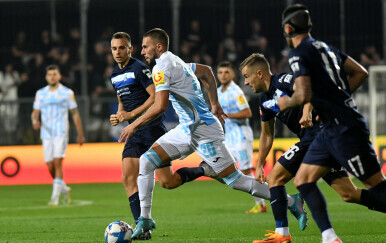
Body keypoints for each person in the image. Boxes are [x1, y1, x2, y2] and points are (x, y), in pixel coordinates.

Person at [117, 28, 306, 239]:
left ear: (158, 46)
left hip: (204, 132)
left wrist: (133, 125)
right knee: (146, 161)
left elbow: (160, 106)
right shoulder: (177, 62)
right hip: (186, 129)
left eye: (145, 46)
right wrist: (214, 103)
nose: (142, 51)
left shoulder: (161, 67)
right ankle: (144, 219)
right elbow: (206, 71)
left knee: (237, 181)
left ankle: (291, 201)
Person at [241, 53, 385, 243]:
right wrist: (258, 164)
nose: (245, 82)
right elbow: (267, 134)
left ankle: (282, 234)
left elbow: (307, 88)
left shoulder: (282, 81)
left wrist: (307, 111)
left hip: (317, 132)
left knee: (275, 177)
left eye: (246, 76)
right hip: (319, 138)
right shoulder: (264, 102)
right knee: (348, 193)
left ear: (259, 73)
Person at [277, 4, 386, 243]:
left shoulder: (298, 53)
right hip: (329, 128)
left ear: (287, 28)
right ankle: (329, 237)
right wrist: (333, 99)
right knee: (303, 180)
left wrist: (287, 102)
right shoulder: (325, 47)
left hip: (345, 129)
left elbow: (303, 93)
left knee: (377, 187)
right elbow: (360, 72)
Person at [109, 32, 207, 240]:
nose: (118, 52)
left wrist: (132, 116)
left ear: (130, 49)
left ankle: (204, 168)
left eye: (122, 48)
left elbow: (155, 98)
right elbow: (122, 100)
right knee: (128, 178)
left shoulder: (140, 69)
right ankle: (141, 227)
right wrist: (119, 115)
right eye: (114, 48)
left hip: (151, 129)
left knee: (167, 182)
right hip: (134, 132)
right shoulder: (113, 75)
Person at [216, 61, 266, 214]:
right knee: (221, 169)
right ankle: (262, 199)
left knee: (245, 171)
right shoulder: (218, 91)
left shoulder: (236, 91)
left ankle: (265, 199)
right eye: (220, 72)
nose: (223, 75)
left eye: (226, 72)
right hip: (229, 137)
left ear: (232, 74)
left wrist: (226, 115)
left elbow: (247, 113)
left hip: (242, 136)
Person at [31, 64, 85, 206]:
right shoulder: (40, 93)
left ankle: (55, 198)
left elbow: (75, 113)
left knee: (57, 162)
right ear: (46, 77)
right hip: (46, 133)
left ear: (59, 76)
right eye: (49, 74)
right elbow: (35, 113)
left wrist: (80, 133)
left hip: (61, 131)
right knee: (49, 165)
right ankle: (63, 187)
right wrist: (34, 121)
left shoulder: (67, 93)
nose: (52, 77)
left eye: (54, 74)